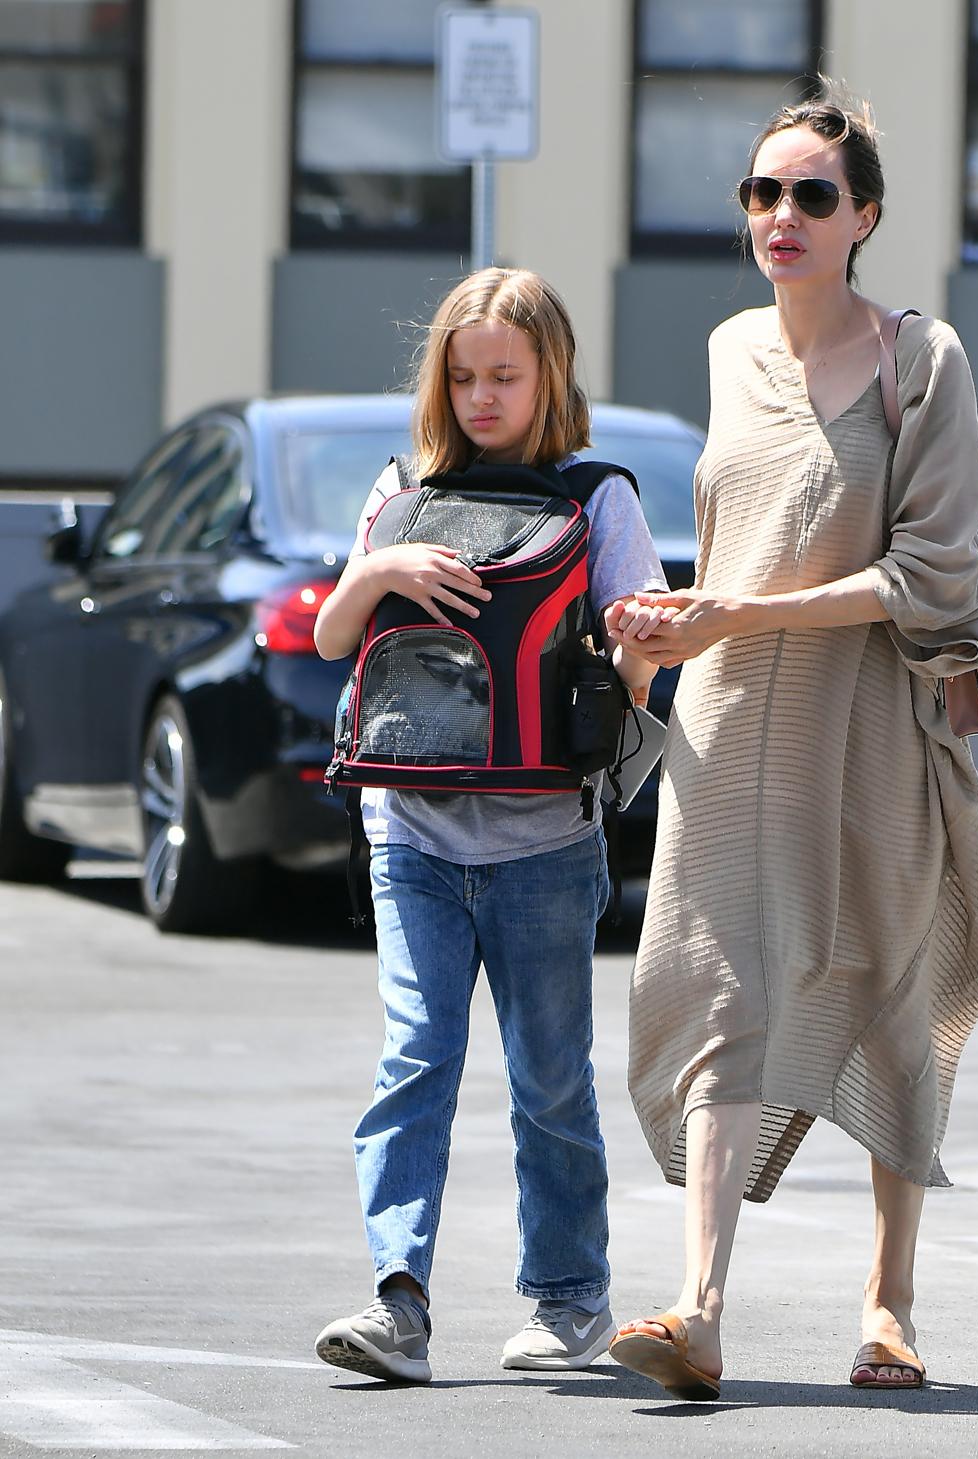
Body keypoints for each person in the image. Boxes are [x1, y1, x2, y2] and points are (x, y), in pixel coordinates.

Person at [601, 87, 978, 1400]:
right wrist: (672, 620)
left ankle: (890, 1302)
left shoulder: (925, 361)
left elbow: (932, 569)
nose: (779, 216)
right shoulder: (732, 349)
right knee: (721, 990)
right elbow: (736, 537)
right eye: (760, 193)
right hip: (729, 725)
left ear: (866, 218)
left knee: (887, 994)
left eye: (810, 196)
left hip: (869, 729)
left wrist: (746, 609)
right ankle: (701, 1306)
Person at [311, 267, 668, 1384]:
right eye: (463, 376)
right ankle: (397, 1300)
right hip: (410, 833)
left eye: (504, 376)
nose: (481, 396)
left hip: (545, 844)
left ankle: (568, 1297)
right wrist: (381, 565)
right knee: (415, 1059)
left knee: (548, 1077)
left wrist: (640, 639)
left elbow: (640, 660)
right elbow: (332, 638)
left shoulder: (599, 496)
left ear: (549, 376)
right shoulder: (403, 490)